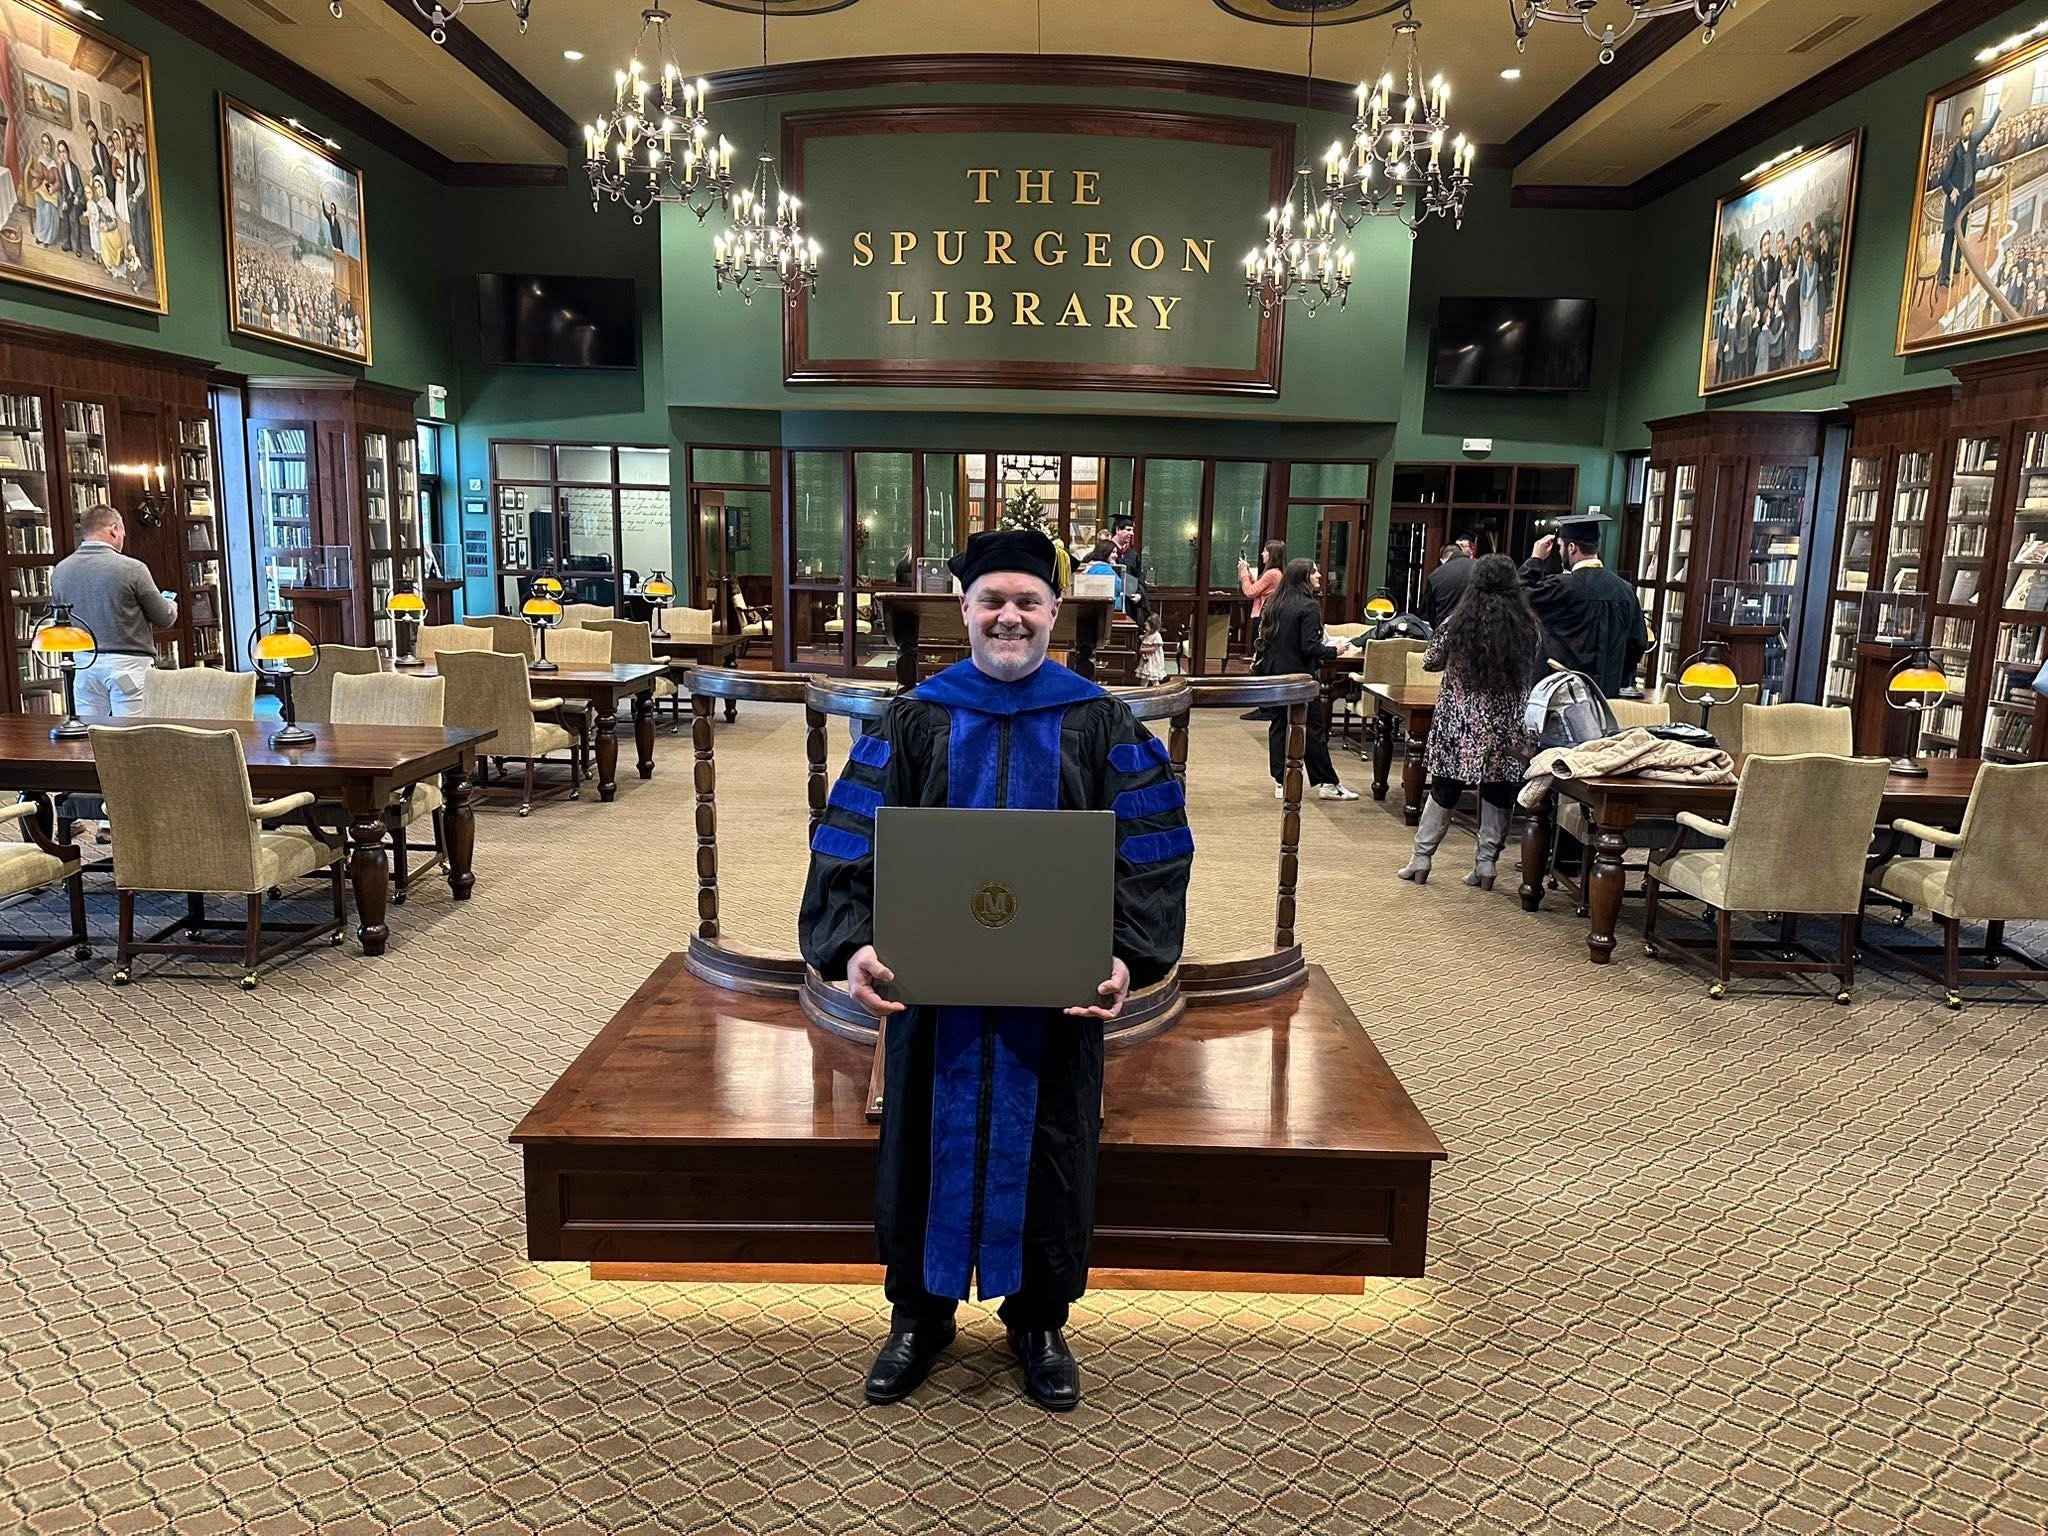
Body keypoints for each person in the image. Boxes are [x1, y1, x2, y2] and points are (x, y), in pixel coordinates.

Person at [800, 528, 1192, 1414]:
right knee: (917, 1141)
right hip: (932, 1002)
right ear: (964, 611)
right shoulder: (913, 719)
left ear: (1055, 612)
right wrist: (853, 942)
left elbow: (1154, 856)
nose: (1009, 616)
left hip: (1052, 1003)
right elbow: (849, 843)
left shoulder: (1102, 723)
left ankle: (1040, 1320)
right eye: (992, 600)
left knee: (1052, 1144)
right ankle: (918, 1314)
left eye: (1026, 601)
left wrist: (1128, 957)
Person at [1397, 555, 1542, 888]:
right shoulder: (1527, 627)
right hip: (1506, 725)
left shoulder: (1459, 623)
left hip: (1460, 724)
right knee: (1499, 789)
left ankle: (1421, 858)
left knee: (1445, 787)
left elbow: (1431, 661)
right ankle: (1486, 865)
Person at [51, 505, 178, 842]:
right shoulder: (132, 568)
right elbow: (162, 617)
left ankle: (87, 809)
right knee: (131, 744)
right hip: (128, 666)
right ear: (112, 529)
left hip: (83, 664)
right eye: (121, 531)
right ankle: (121, 821)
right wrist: (172, 605)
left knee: (91, 744)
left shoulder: (61, 571)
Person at [1254, 558, 1360, 801]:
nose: (1320, 576)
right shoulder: (1309, 607)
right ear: (1304, 577)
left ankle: (1280, 781)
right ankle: (1327, 782)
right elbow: (1309, 647)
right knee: (1313, 729)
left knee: (1279, 726)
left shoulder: (1273, 603)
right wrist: (1335, 651)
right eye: (1314, 572)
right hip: (1299, 678)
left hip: (1274, 674)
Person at [1518, 513, 1647, 698]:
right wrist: (1618, 678)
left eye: (1561, 546)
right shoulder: (1625, 591)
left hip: (1563, 695)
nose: (1560, 551)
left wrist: (1535, 559)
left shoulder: (1561, 587)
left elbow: (1518, 596)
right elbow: (1638, 642)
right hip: (1606, 697)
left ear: (1571, 548)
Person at [1939, 104, 2002, 289]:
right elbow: (1944, 177)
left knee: (1962, 235)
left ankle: (1957, 266)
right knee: (1950, 237)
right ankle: (1944, 276)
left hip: (1966, 198)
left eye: (1970, 123)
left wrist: (1998, 108)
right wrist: (1951, 190)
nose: (1968, 126)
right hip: (1954, 201)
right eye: (1965, 123)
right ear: (1961, 126)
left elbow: (1987, 127)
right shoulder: (1955, 151)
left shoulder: (1973, 141)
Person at [1422, 541, 1473, 626]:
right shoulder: (1479, 566)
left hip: (1447, 630)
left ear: (1442, 560)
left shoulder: (1435, 576)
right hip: (1476, 629)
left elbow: (1427, 614)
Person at [1136, 612, 1167, 684]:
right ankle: (1142, 690)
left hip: (1153, 660)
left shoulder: (1156, 635)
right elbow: (1144, 638)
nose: (1145, 624)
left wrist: (1142, 650)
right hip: (1146, 658)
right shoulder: (1147, 633)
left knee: (1154, 678)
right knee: (1145, 676)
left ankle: (1157, 691)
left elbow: (1154, 649)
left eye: (1147, 623)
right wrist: (1142, 637)